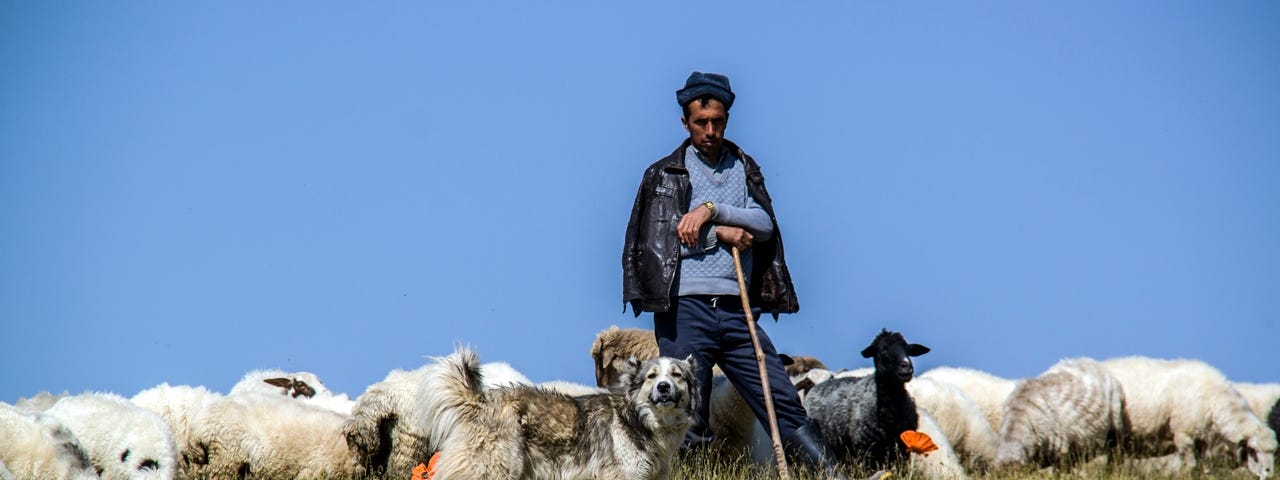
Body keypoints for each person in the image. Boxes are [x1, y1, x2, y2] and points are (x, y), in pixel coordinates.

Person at [621, 71, 848, 479]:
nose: (710, 131)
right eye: (700, 123)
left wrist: (712, 210)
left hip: (738, 311)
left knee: (780, 396)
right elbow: (664, 239)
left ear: (726, 118)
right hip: (685, 307)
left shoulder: (744, 167)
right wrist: (718, 234)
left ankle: (834, 476)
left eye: (718, 122)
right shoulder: (664, 176)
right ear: (685, 122)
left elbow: (763, 223)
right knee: (691, 408)